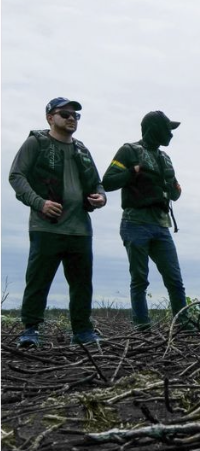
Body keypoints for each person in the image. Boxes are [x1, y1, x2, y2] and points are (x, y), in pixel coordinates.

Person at [9, 97, 107, 346]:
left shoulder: (82, 149)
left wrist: (101, 197)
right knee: (38, 280)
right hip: (46, 226)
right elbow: (16, 176)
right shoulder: (36, 143)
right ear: (50, 118)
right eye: (65, 114)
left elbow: (98, 182)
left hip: (80, 229)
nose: (72, 118)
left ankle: (83, 332)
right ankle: (30, 331)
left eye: (75, 115)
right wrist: (40, 203)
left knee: (82, 284)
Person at [102, 111, 187, 329]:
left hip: (161, 224)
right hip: (135, 223)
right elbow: (108, 182)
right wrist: (133, 172)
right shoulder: (130, 151)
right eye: (168, 130)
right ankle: (142, 327)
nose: (170, 134)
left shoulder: (165, 157)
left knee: (175, 280)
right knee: (139, 279)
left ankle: (183, 325)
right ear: (155, 130)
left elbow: (174, 191)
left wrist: (175, 191)